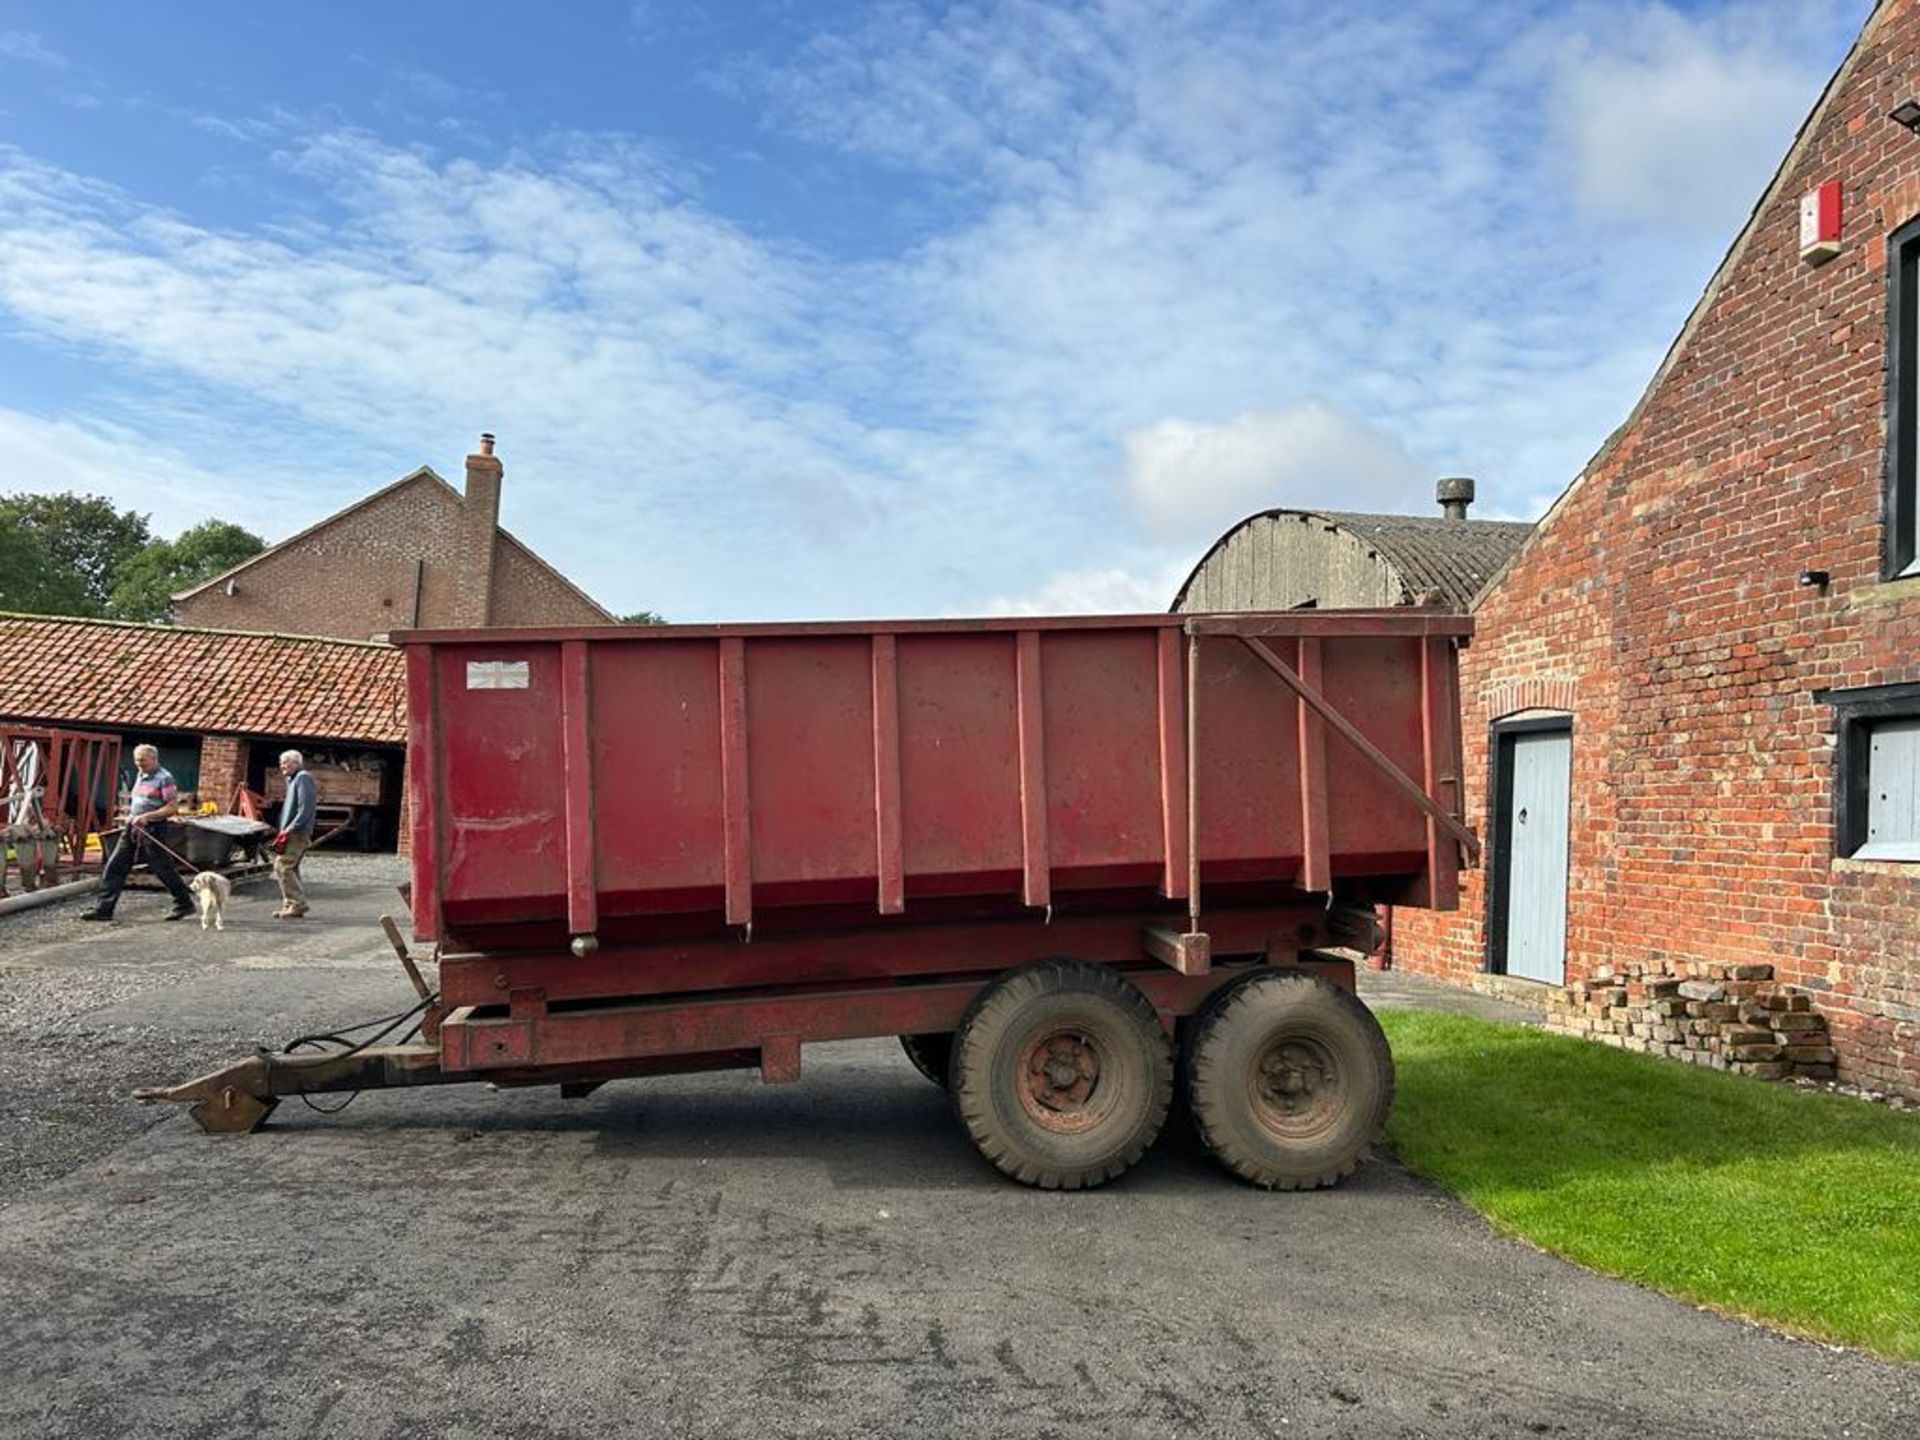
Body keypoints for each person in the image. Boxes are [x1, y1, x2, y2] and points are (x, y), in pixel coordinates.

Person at [80, 744, 195, 923]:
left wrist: (147, 817)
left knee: (162, 868)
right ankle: (104, 909)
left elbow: (171, 808)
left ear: (154, 759)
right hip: (132, 827)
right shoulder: (141, 775)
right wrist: (132, 816)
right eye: (136, 760)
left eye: (143, 760)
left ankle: (184, 903)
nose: (139, 764)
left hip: (153, 829)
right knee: (115, 865)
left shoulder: (165, 778)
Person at [273, 749, 317, 919]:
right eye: (281, 762)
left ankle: (297, 904)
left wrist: (292, 827)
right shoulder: (293, 779)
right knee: (290, 867)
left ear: (296, 763)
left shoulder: (303, 778)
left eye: (286, 762)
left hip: (297, 833)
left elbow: (305, 808)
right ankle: (290, 905)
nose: (282, 765)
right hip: (292, 832)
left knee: (283, 866)